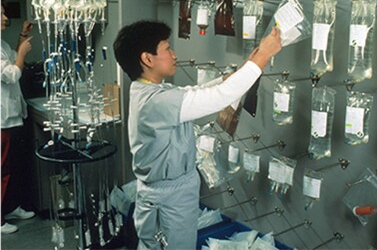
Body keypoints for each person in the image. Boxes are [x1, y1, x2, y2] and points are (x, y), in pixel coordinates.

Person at [112, 20, 281, 249]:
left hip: (174, 193)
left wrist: (247, 66)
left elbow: (196, 91)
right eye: (167, 48)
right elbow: (216, 98)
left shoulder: (155, 91)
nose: (174, 54)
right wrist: (262, 58)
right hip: (168, 198)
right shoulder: (156, 102)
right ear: (147, 58)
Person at [0, 3, 36, 234]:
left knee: (10, 166)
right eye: (0, 14)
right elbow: (11, 73)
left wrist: (22, 37)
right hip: (1, 119)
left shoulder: (0, 43)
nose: (5, 18)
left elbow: (12, 59)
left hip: (11, 116)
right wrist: (23, 53)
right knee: (0, 168)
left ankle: (10, 207)